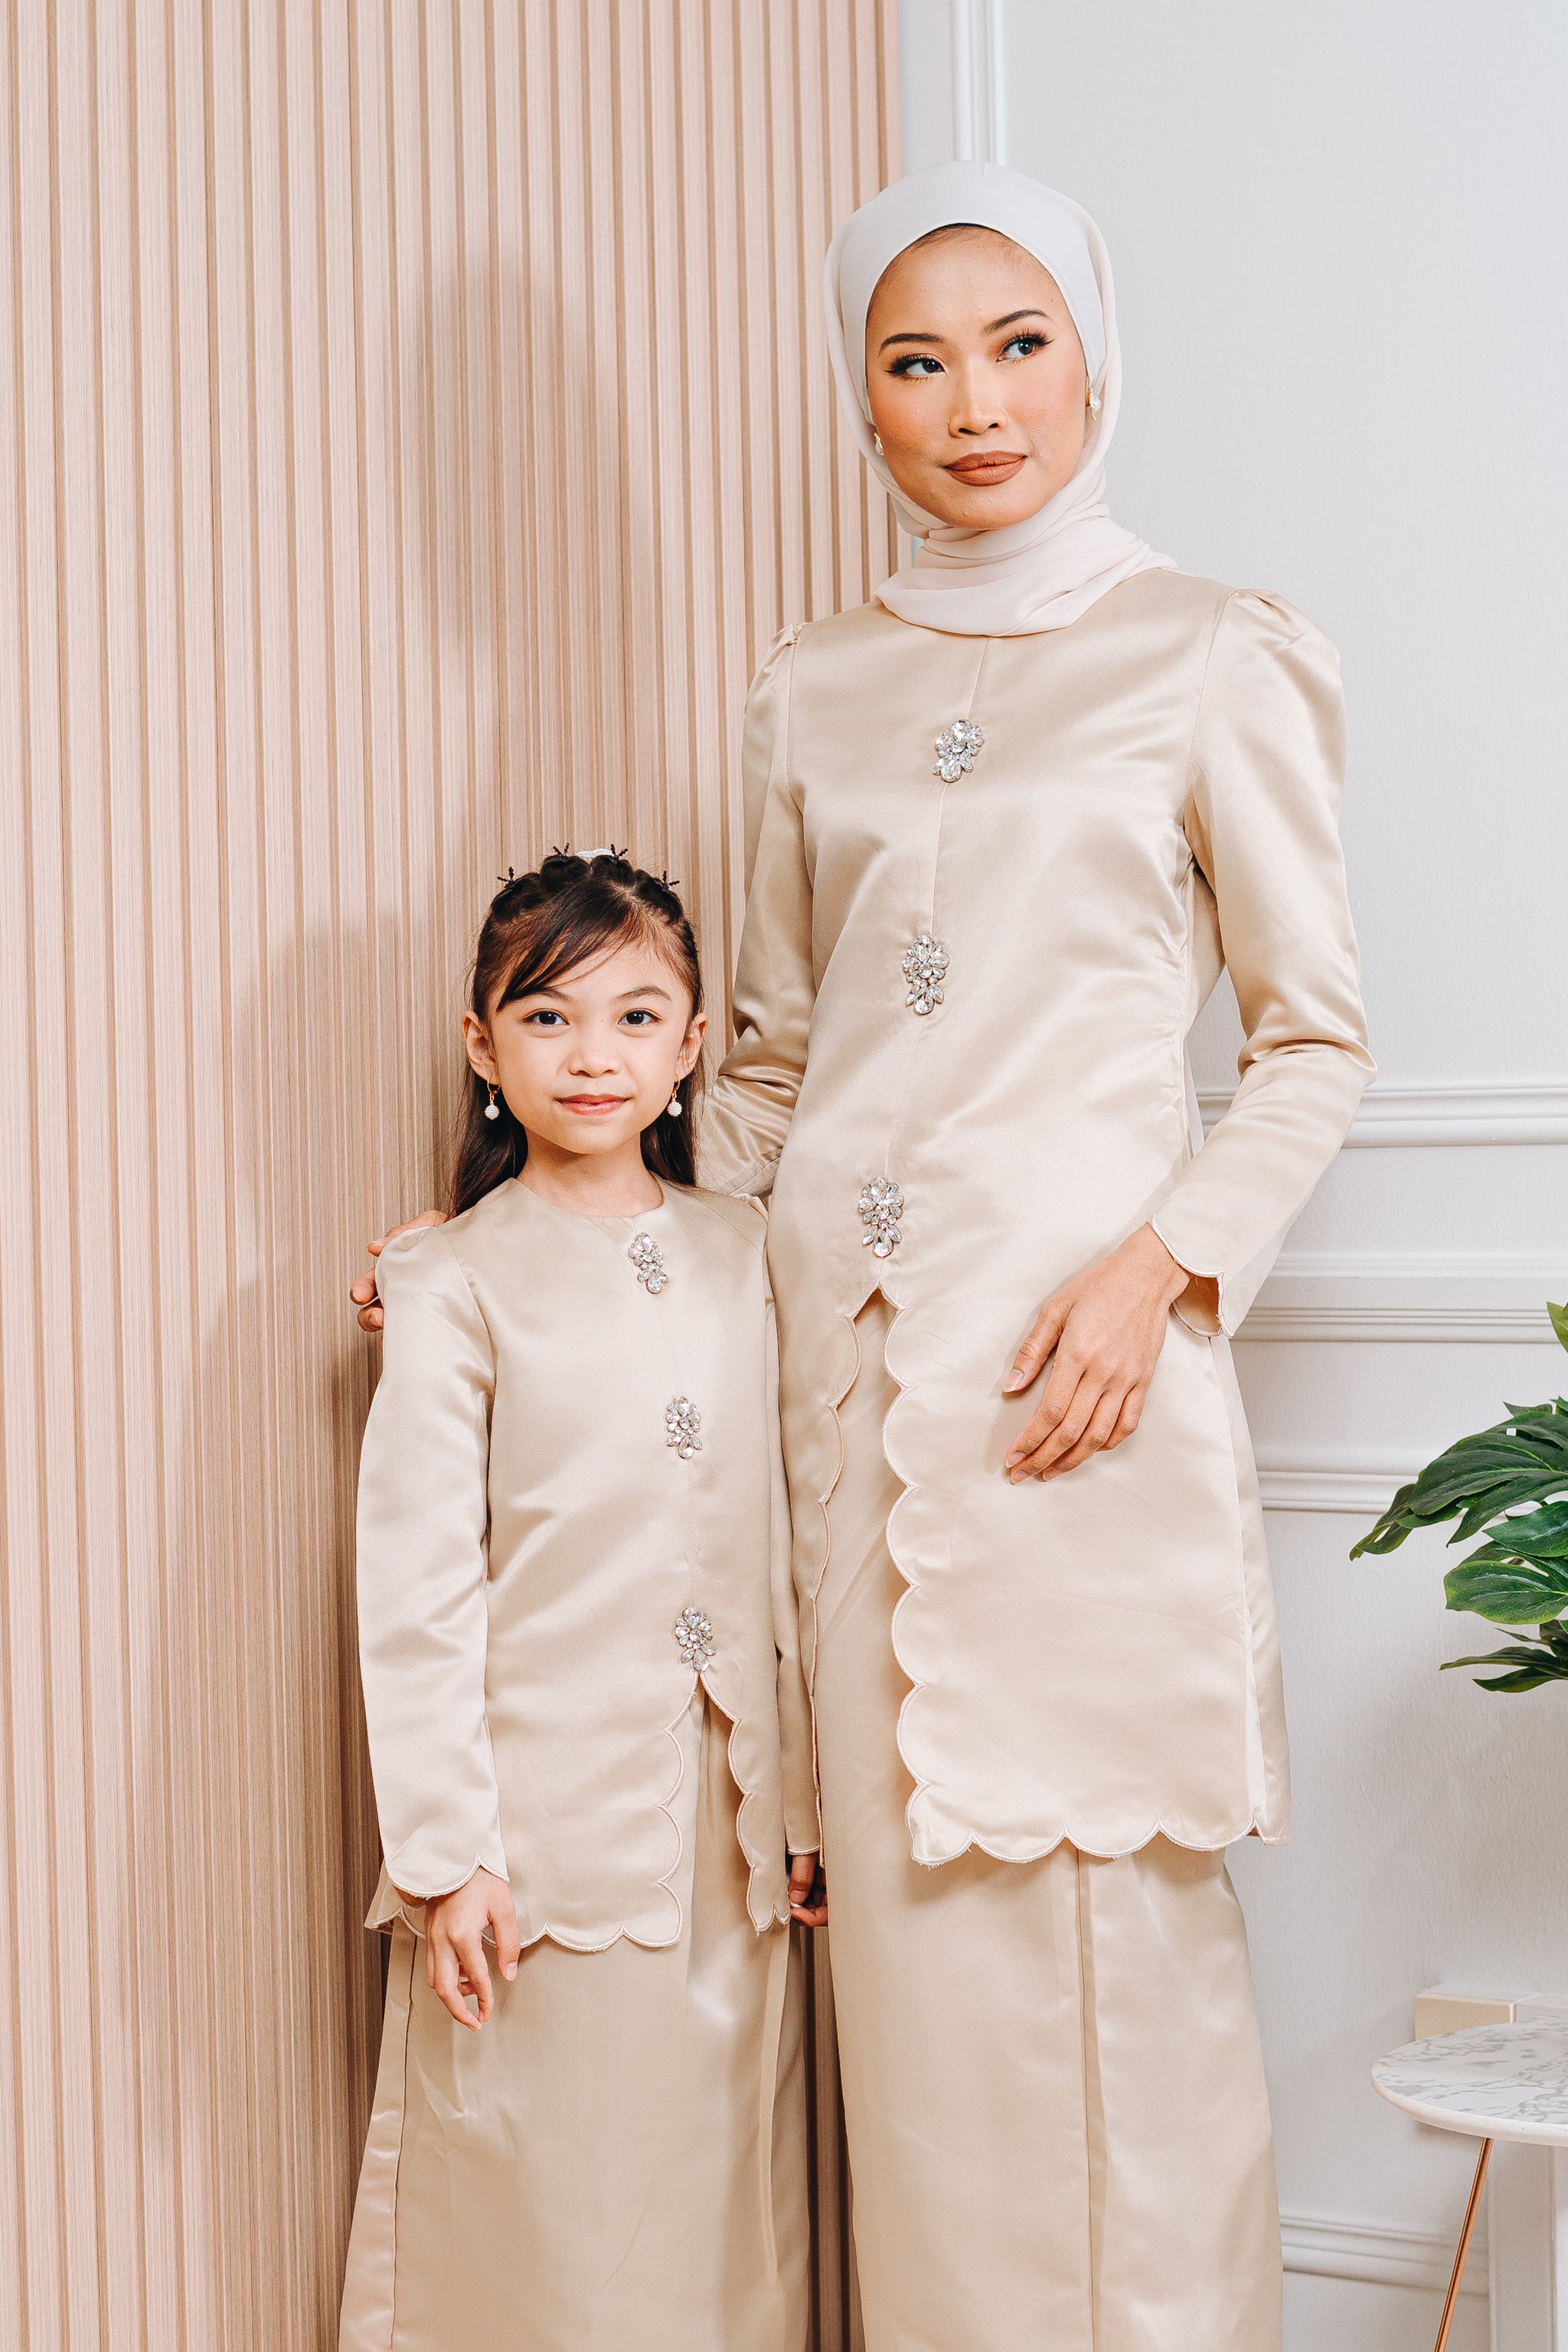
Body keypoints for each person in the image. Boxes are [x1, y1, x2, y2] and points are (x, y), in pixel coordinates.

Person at [354, 164, 1373, 2350]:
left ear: (1094, 358)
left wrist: (1160, 1270)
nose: (974, 404)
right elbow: (768, 1066)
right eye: (917, 364)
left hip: (1078, 1404)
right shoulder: (810, 685)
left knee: (1117, 2016)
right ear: (864, 401)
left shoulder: (1213, 649)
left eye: (1018, 347)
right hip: (833, 1430)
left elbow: (1311, 1042)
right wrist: (521, 1242)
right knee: (912, 2051)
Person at [339, 853, 823, 2352]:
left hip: (731, 1840)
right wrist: (445, 1857)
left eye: (636, 1016)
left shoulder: (748, 1253)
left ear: (692, 1048)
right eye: (546, 1017)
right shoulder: (454, 1279)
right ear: (482, 1048)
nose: (593, 1054)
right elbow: (418, 1584)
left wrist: (802, 1800)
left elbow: (783, 1546)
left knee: (723, 2235)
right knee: (552, 2236)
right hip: (537, 1844)